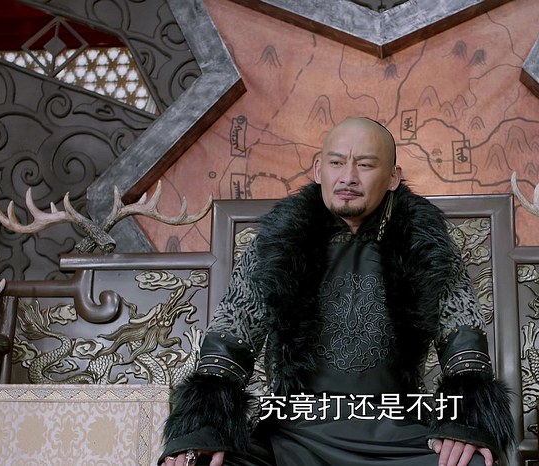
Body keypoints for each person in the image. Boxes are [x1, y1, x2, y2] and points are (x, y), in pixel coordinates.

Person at [160, 117, 515, 466]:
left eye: (365, 165)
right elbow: (233, 332)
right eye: (336, 163)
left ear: (393, 177)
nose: (348, 177)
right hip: (291, 433)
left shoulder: (425, 245)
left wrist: (467, 421)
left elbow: (462, 339)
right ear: (319, 169)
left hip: (397, 431)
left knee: (473, 463)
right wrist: (203, 425)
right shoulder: (277, 244)